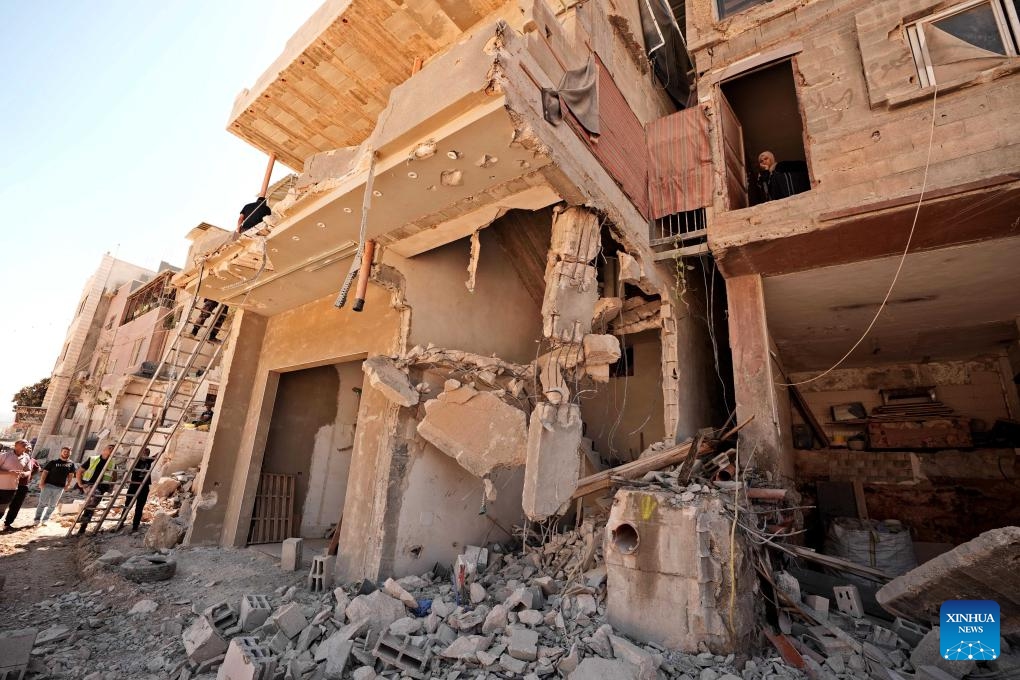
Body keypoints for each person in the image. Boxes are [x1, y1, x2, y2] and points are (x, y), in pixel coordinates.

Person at [75, 444, 116, 536]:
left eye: (113, 449)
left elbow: (114, 475)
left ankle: (83, 526)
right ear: (103, 450)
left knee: (93, 503)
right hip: (89, 484)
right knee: (95, 496)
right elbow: (79, 471)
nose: (111, 450)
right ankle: (85, 518)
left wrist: (111, 487)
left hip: (102, 486)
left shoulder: (112, 462)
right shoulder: (93, 459)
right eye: (109, 448)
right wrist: (79, 483)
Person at [34, 446, 77, 526]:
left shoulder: (71, 464)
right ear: (61, 452)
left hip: (60, 488)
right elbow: (45, 472)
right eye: (64, 451)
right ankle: (37, 519)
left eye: (67, 452)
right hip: (48, 485)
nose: (66, 453)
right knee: (42, 503)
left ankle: (45, 519)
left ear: (70, 453)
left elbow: (70, 475)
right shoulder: (53, 462)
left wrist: (68, 484)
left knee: (52, 505)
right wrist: (41, 482)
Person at [4, 441, 39, 530]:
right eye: (27, 448)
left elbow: (36, 470)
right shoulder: (10, 456)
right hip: (9, 484)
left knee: (16, 506)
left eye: (30, 449)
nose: (29, 450)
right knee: (3, 504)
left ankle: (8, 524)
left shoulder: (33, 460)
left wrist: (28, 475)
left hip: (23, 486)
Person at [0, 440, 31, 519]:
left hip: (11, 489)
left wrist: (24, 474)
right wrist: (9, 472)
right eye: (23, 443)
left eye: (26, 444)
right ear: (16, 445)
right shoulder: (5, 455)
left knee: (1, 511)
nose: (25, 444)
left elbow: (28, 470)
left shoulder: (26, 457)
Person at [125, 448, 153, 533]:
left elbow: (158, 454)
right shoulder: (136, 460)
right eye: (144, 452)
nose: (146, 454)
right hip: (134, 485)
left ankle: (135, 526)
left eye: (147, 453)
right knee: (127, 505)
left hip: (144, 487)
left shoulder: (148, 461)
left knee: (139, 507)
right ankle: (121, 522)